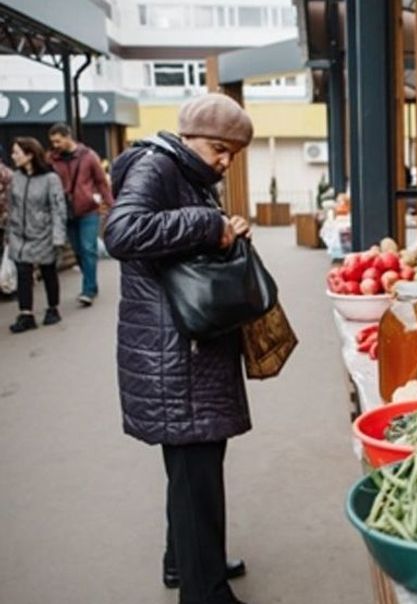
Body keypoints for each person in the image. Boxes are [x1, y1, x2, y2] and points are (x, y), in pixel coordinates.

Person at [104, 93, 254, 604]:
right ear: (189, 136)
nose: (225, 161)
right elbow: (121, 232)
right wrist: (209, 226)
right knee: (196, 472)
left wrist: (222, 231)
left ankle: (186, 561)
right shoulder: (157, 165)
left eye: (233, 153)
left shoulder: (185, 172)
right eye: (219, 148)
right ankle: (204, 590)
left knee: (193, 472)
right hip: (175, 351)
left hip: (181, 345)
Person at [4, 137, 67, 333]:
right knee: (23, 273)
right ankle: (26, 314)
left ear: (30, 154)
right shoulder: (16, 178)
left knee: (48, 271)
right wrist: (9, 231)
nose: (13, 156)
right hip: (19, 234)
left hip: (43, 233)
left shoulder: (50, 179)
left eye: (17, 152)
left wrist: (58, 237)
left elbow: (58, 209)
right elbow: (11, 205)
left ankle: (52, 308)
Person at [48, 122, 113, 307]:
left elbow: (101, 182)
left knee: (88, 248)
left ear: (68, 137)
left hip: (88, 210)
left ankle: (89, 289)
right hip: (65, 212)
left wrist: (112, 205)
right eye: (52, 142)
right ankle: (91, 282)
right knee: (77, 250)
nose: (55, 145)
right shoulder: (52, 159)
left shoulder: (88, 156)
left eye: (58, 141)